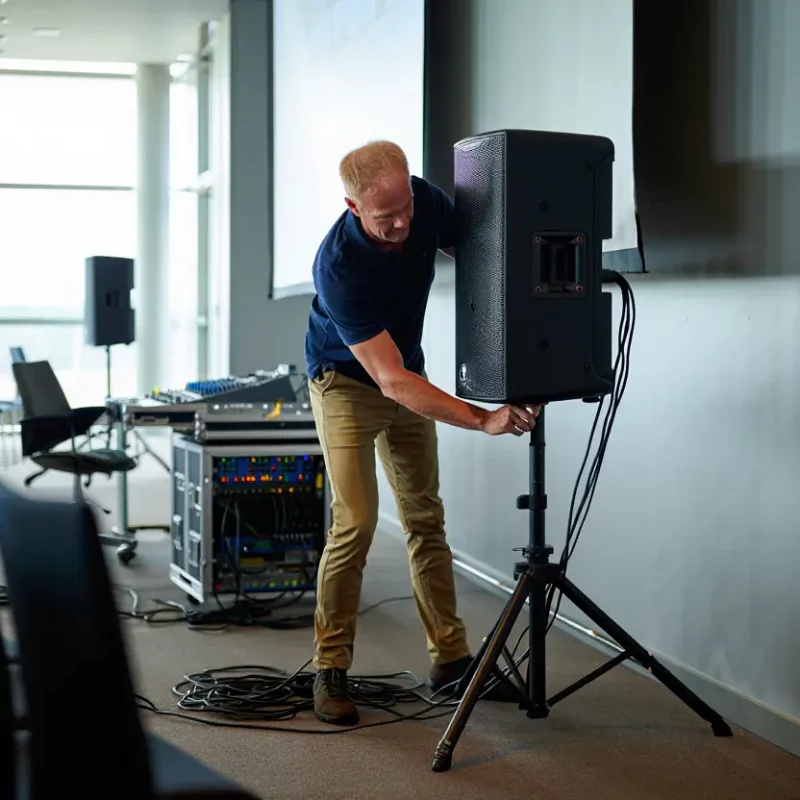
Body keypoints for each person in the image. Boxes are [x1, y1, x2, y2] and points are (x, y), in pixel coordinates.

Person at [304, 140, 539, 726]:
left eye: (406, 205)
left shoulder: (423, 203)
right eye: (386, 217)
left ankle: (452, 662)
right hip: (347, 383)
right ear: (353, 207)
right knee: (355, 521)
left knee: (425, 519)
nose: (404, 223)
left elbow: (483, 260)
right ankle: (329, 668)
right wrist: (482, 417)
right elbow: (388, 380)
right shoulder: (337, 266)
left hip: (406, 372)